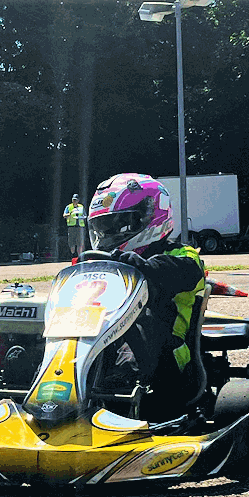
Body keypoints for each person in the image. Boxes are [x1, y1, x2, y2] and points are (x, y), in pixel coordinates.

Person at [87, 173, 206, 420]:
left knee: (143, 321)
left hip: (169, 360)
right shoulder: (107, 262)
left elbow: (178, 272)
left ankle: (121, 400)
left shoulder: (182, 255)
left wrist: (133, 263)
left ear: (151, 216)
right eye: (103, 228)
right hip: (108, 342)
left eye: (117, 226)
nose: (108, 235)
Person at [63, 193, 87, 259]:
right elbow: (64, 215)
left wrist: (82, 217)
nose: (74, 201)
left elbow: (85, 215)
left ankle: (80, 257)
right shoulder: (69, 207)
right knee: (72, 242)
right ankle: (73, 255)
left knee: (80, 243)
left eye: (76, 200)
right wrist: (70, 214)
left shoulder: (81, 207)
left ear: (78, 200)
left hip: (80, 227)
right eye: (73, 200)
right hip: (72, 227)